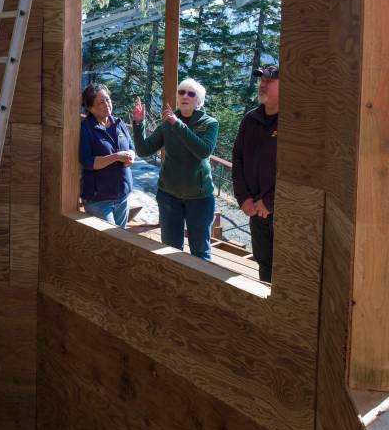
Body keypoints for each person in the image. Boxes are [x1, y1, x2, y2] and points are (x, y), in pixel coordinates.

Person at [132, 78, 218, 261]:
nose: (185, 96)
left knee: (201, 253)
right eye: (182, 92)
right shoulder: (167, 123)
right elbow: (144, 150)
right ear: (178, 97)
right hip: (169, 196)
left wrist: (177, 124)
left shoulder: (210, 123)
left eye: (191, 93)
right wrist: (139, 124)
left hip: (200, 198)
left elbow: (203, 151)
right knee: (170, 251)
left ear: (198, 101)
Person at [231, 64, 279, 283]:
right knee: (265, 266)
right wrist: (244, 198)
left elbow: (298, 172)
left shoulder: (294, 123)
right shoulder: (251, 119)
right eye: (262, 80)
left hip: (284, 213)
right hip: (256, 212)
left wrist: (269, 202)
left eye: (269, 80)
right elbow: (238, 158)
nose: (263, 84)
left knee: (288, 268)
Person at [79, 83, 135, 228]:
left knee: (121, 240)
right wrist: (116, 157)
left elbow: (131, 148)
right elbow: (87, 162)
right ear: (90, 107)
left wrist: (131, 156)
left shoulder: (118, 123)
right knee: (108, 243)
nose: (107, 104)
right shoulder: (86, 128)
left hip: (123, 196)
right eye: (101, 102)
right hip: (99, 200)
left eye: (108, 100)